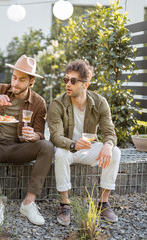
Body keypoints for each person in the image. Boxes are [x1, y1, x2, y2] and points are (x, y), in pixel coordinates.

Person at [0, 55, 54, 226]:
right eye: (14, 77)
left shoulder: (38, 103)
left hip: (19, 148)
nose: (15, 83)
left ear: (31, 82)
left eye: (22, 79)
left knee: (47, 147)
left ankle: (28, 203)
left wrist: (35, 136)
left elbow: (40, 134)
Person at [48, 59, 121, 226]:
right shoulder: (57, 104)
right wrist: (73, 144)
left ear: (86, 85)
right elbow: (56, 136)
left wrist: (108, 146)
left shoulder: (99, 102)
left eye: (73, 81)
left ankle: (103, 204)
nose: (68, 84)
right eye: (66, 79)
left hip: (88, 148)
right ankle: (65, 204)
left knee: (115, 152)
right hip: (68, 148)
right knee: (60, 153)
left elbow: (110, 132)